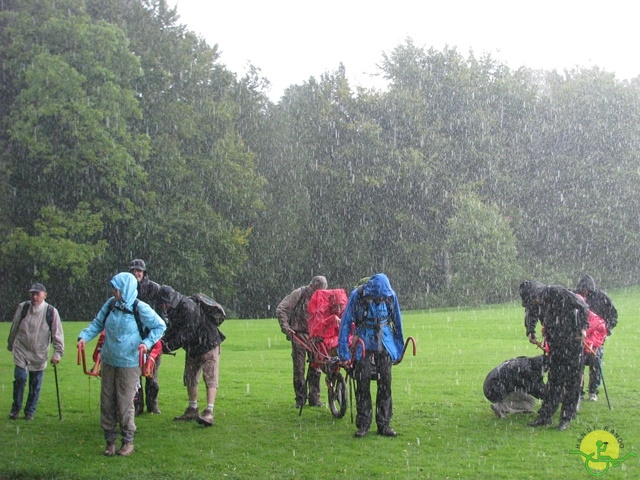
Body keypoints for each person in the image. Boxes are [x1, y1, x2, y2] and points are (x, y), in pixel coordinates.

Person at [77, 272, 166, 457]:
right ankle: (110, 442)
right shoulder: (111, 304)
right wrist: (83, 337)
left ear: (125, 288)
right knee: (107, 402)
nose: (114, 291)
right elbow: (97, 324)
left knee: (125, 402)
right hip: (109, 360)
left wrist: (146, 343)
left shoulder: (140, 308)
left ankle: (128, 441)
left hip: (129, 363)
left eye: (117, 288)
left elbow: (160, 326)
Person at [338, 273, 405, 437]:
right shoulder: (357, 296)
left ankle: (384, 424)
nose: (381, 299)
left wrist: (397, 349)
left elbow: (397, 323)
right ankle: (363, 425)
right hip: (363, 343)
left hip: (385, 342)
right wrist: (344, 353)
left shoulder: (390, 296)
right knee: (363, 382)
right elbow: (345, 323)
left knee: (386, 382)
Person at [519, 281, 589, 431]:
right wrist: (530, 331)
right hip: (555, 342)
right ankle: (545, 416)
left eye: (534, 300)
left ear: (537, 294)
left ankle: (566, 418)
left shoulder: (557, 292)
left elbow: (583, 307)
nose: (535, 304)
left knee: (572, 382)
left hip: (573, 342)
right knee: (554, 381)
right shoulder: (534, 301)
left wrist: (583, 328)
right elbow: (531, 313)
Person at [158, 285, 225, 427]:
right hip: (194, 347)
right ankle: (192, 409)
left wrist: (168, 347)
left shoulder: (188, 307)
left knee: (210, 377)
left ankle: (209, 412)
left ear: (170, 301)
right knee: (190, 376)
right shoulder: (174, 310)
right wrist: (162, 342)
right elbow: (173, 330)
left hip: (209, 343)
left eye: (164, 303)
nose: (163, 306)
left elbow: (187, 332)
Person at [7, 283, 64, 420]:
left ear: (44, 295)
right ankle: (16, 409)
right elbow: (14, 326)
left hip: (39, 352)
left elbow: (57, 334)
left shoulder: (51, 311)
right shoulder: (23, 307)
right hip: (21, 349)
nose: (34, 296)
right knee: (20, 378)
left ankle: (30, 411)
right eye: (32, 293)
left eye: (37, 293)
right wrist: (11, 344)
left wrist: (57, 353)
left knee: (35, 384)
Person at [276, 276, 328, 408]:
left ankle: (314, 398)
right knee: (299, 369)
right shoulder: (299, 293)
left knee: (316, 368)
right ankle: (300, 399)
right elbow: (282, 308)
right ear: (312, 286)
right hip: (298, 335)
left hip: (316, 336)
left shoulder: (322, 296)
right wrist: (286, 327)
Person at [130, 259, 166, 415]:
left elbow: (162, 313)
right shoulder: (127, 289)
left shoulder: (154, 289)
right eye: (134, 270)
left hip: (153, 336)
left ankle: (153, 405)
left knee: (152, 376)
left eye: (139, 270)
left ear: (144, 273)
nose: (137, 273)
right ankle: (138, 406)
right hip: (133, 338)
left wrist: (161, 332)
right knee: (135, 376)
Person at [574, 275, 618, 401]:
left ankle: (593, 390)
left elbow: (613, 315)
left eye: (587, 290)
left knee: (595, 361)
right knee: (578, 363)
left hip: (596, 336)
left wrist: (606, 330)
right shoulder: (575, 297)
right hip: (579, 337)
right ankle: (579, 390)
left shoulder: (602, 298)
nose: (585, 292)